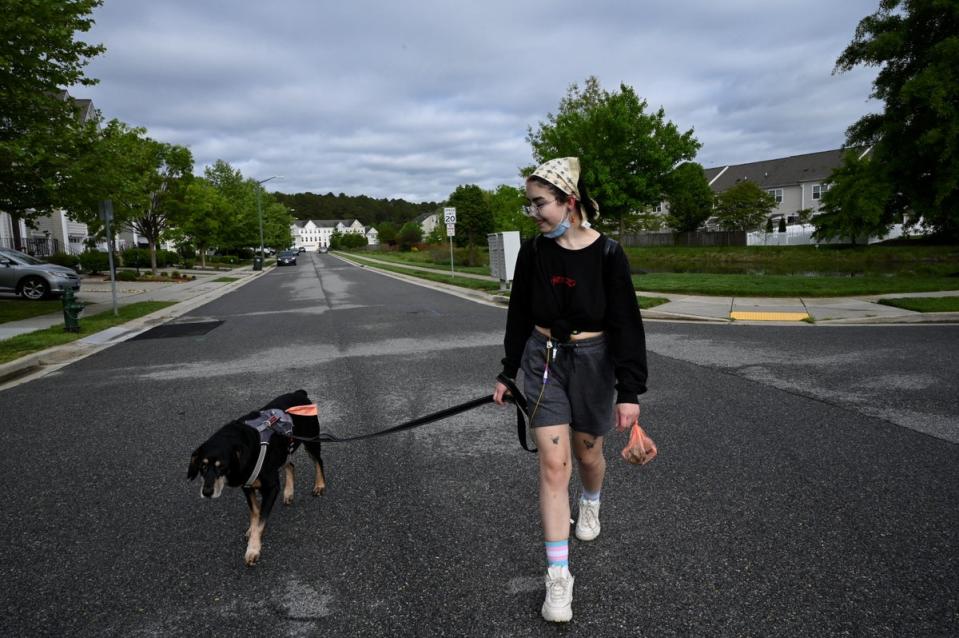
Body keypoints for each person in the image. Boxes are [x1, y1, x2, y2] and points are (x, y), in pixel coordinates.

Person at [493, 157, 647, 623]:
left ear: (569, 202)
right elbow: (518, 313)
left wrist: (629, 391)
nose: (534, 213)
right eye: (530, 205)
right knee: (554, 465)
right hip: (543, 361)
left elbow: (626, 324)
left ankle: (593, 501)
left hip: (594, 362)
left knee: (586, 457)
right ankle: (558, 577)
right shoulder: (534, 252)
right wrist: (507, 370)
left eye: (540, 204)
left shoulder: (608, 254)